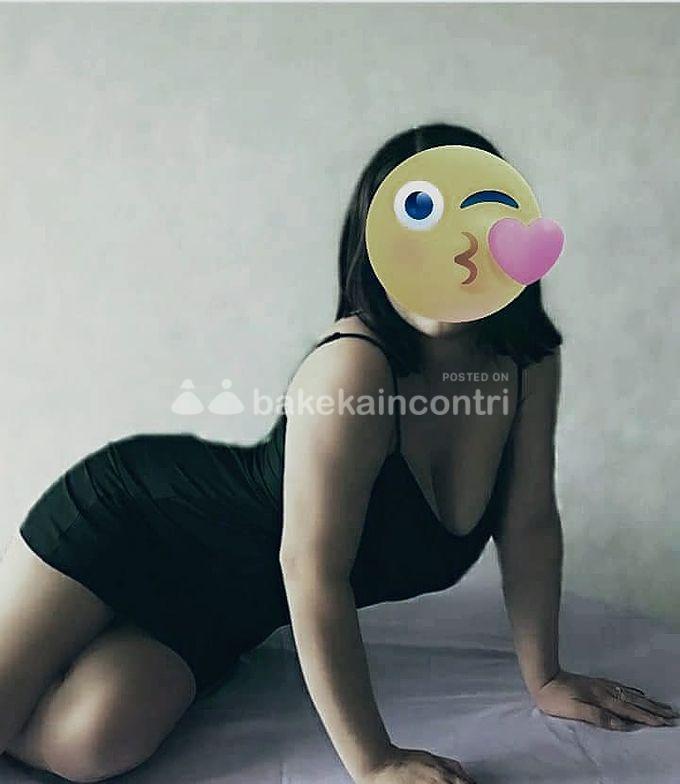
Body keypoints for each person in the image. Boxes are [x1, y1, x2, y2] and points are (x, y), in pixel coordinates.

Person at [0, 123, 675, 784]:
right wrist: (375, 762)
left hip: (227, 609)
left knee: (95, 745)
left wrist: (546, 677)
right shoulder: (354, 370)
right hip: (134, 527)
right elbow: (312, 569)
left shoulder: (526, 363)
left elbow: (528, 523)